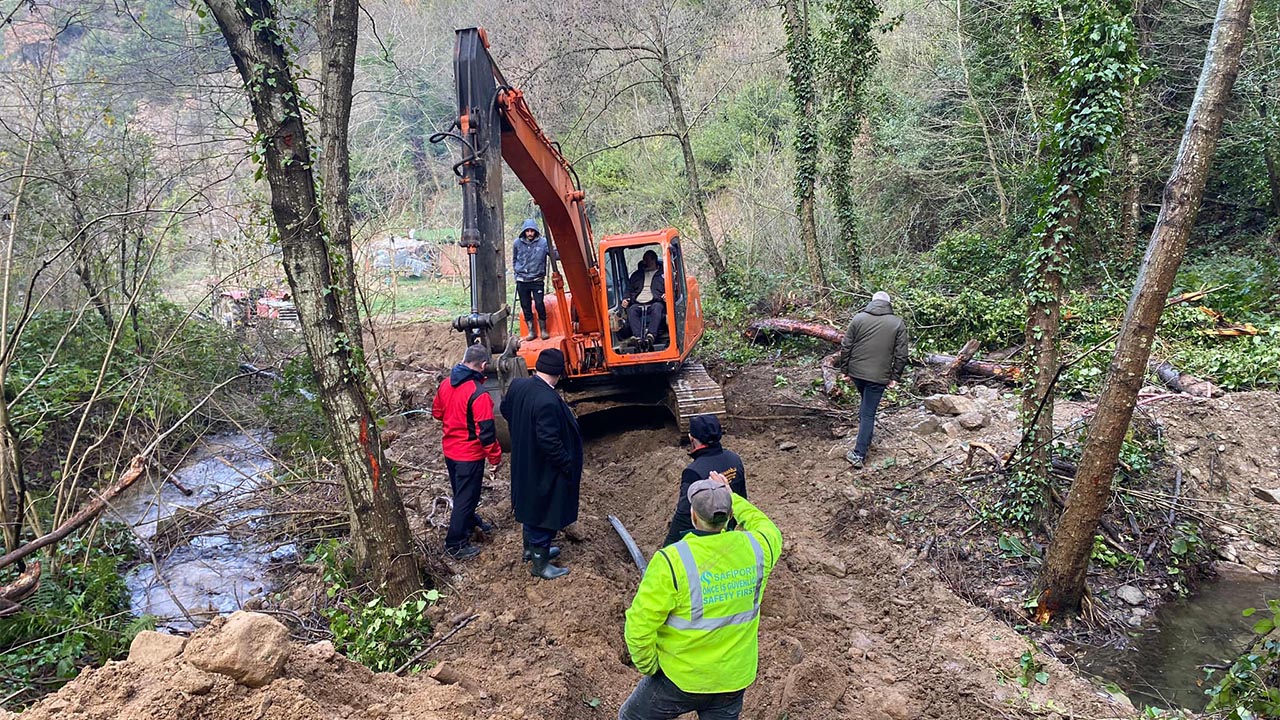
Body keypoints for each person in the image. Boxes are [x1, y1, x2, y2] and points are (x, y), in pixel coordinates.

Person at [619, 470, 783, 720]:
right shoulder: (758, 548)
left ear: (693, 515)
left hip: (680, 678)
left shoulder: (671, 561)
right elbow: (766, 526)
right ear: (729, 517)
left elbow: (638, 628)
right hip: (733, 678)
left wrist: (651, 667)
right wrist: (732, 497)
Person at [499, 348, 582, 579]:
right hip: (543, 467)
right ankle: (541, 565)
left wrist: (522, 429)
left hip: (523, 460)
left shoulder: (518, 386)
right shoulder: (547, 400)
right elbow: (549, 441)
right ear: (558, 373)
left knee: (529, 505)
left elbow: (506, 410)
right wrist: (567, 464)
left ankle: (531, 550)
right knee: (544, 510)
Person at [431, 344, 502, 560]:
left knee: (461, 493)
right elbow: (486, 433)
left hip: (450, 451)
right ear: (482, 365)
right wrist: (495, 457)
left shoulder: (445, 384)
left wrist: (455, 421)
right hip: (468, 455)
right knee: (466, 498)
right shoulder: (478, 394)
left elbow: (437, 412)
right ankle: (455, 544)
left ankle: (470, 522)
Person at [836, 290, 909, 469]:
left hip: (857, 373)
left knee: (866, 410)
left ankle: (861, 448)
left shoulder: (858, 318)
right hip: (878, 377)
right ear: (888, 303)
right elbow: (902, 354)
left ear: (873, 301)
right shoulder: (897, 323)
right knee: (868, 412)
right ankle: (860, 453)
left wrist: (845, 370)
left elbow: (846, 346)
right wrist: (895, 377)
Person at [660, 415, 746, 548]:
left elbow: (683, 516)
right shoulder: (734, 459)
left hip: (704, 535)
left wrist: (668, 546)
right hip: (727, 529)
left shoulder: (693, 472)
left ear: (692, 439)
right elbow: (742, 498)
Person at [512, 218, 553, 341]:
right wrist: (516, 272)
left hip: (537, 279)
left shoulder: (543, 243)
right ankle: (531, 331)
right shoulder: (517, 243)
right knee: (526, 306)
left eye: (532, 231)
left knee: (539, 304)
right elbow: (514, 259)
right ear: (524, 231)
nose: (530, 233)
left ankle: (543, 329)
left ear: (535, 231)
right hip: (522, 279)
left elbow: (554, 254)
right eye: (527, 231)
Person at [622, 249, 665, 350]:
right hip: (638, 302)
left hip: (655, 301)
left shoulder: (663, 275)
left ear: (654, 260)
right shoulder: (636, 275)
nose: (644, 262)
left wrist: (666, 295)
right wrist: (625, 299)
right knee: (632, 310)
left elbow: (671, 288)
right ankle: (637, 338)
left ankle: (651, 336)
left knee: (657, 308)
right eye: (644, 260)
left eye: (647, 260)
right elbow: (629, 289)